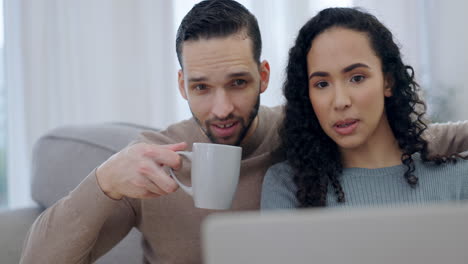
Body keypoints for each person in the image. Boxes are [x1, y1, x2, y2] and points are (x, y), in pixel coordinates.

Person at [20, 1, 468, 263]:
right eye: (200, 87)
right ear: (182, 85)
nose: (222, 109)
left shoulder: (305, 125)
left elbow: (394, 144)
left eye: (238, 83)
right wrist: (102, 184)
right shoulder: (149, 161)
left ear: (264, 75)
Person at [261, 7, 468, 210]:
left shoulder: (457, 178)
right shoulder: (288, 186)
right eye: (322, 84)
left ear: (388, 81)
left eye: (357, 78)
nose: (340, 101)